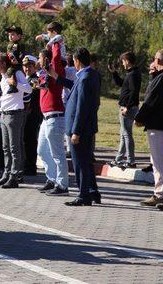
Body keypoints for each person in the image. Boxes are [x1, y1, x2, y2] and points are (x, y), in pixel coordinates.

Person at [64, 47, 101, 206]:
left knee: (80, 163)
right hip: (86, 127)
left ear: (78, 61)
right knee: (86, 162)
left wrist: (76, 131)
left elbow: (82, 107)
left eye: (74, 60)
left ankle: (83, 195)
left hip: (80, 129)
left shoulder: (85, 77)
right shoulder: (89, 75)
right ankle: (92, 192)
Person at [0, 53, 31, 188]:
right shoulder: (2, 76)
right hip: (4, 114)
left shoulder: (17, 73)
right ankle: (6, 174)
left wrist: (16, 83)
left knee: (14, 147)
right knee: (5, 147)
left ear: (3, 63)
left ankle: (15, 176)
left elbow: (29, 89)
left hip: (14, 114)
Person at [36, 42, 69, 196]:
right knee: (42, 150)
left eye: (40, 57)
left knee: (57, 154)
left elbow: (55, 59)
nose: (38, 60)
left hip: (55, 117)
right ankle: (52, 179)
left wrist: (54, 42)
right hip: (46, 118)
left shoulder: (55, 71)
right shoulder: (43, 74)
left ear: (47, 60)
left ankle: (62, 186)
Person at [135, 49, 163, 209]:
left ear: (158, 61)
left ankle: (159, 194)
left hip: (157, 126)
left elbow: (151, 100)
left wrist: (139, 118)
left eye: (154, 60)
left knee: (158, 162)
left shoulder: (160, 79)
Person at [108, 52, 141, 168]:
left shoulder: (132, 74)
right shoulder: (132, 73)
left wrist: (127, 106)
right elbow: (122, 84)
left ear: (127, 61)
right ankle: (119, 159)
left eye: (123, 61)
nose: (122, 64)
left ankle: (131, 161)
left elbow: (133, 91)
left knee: (126, 134)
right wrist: (114, 73)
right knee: (123, 134)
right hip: (129, 107)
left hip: (128, 108)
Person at [22, 55, 42, 177]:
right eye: (25, 66)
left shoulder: (35, 79)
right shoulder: (25, 78)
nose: (27, 69)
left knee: (30, 141)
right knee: (25, 140)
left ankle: (30, 166)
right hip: (25, 114)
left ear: (34, 67)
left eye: (29, 66)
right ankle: (26, 165)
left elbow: (33, 97)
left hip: (32, 114)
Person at [2, 25, 26, 94]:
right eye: (9, 34)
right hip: (9, 62)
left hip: (15, 64)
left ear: (19, 36)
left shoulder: (19, 45)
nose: (10, 36)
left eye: (12, 34)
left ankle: (13, 87)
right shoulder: (10, 44)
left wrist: (18, 61)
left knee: (10, 71)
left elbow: (22, 54)